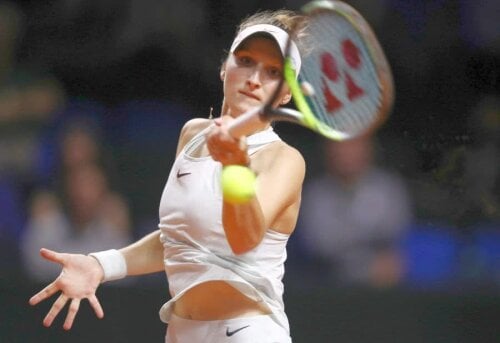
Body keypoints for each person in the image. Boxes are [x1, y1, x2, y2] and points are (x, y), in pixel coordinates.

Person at [29, 9, 307, 343]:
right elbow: (178, 241)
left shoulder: (284, 160)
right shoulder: (192, 134)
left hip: (248, 332)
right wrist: (100, 265)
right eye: (245, 60)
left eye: (272, 71)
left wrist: (234, 166)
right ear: (224, 68)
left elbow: (244, 238)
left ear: (286, 93)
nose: (254, 79)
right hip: (180, 333)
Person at [298, 133, 412, 288]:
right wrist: (361, 261)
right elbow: (320, 245)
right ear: (329, 152)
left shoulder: (388, 187)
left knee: (390, 267)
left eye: (354, 146)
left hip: (380, 269)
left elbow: (393, 231)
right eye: (341, 147)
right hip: (327, 277)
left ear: (369, 150)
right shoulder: (315, 194)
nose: (347, 154)